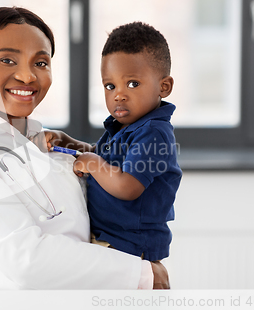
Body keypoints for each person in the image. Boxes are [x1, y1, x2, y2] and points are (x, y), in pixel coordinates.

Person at [0, 7, 167, 290]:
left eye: (40, 63)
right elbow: (27, 260)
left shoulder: (48, 144)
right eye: (7, 60)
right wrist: (142, 275)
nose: (28, 77)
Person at [44, 22, 181, 288]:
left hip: (129, 247)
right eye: (109, 86)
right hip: (111, 241)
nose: (119, 95)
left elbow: (127, 184)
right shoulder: (124, 127)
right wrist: (70, 143)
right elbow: (107, 159)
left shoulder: (154, 133)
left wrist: (93, 164)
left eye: (132, 84)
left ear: (163, 87)